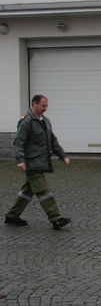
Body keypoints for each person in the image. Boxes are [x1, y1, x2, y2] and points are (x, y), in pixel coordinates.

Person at [4, 95, 71, 230]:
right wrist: (20, 160)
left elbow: (52, 141)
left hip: (41, 162)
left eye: (46, 106)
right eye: (43, 106)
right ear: (34, 104)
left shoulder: (45, 121)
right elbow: (18, 142)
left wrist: (62, 155)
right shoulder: (27, 121)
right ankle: (56, 218)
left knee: (27, 191)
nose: (45, 109)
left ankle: (12, 216)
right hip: (31, 163)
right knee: (43, 191)